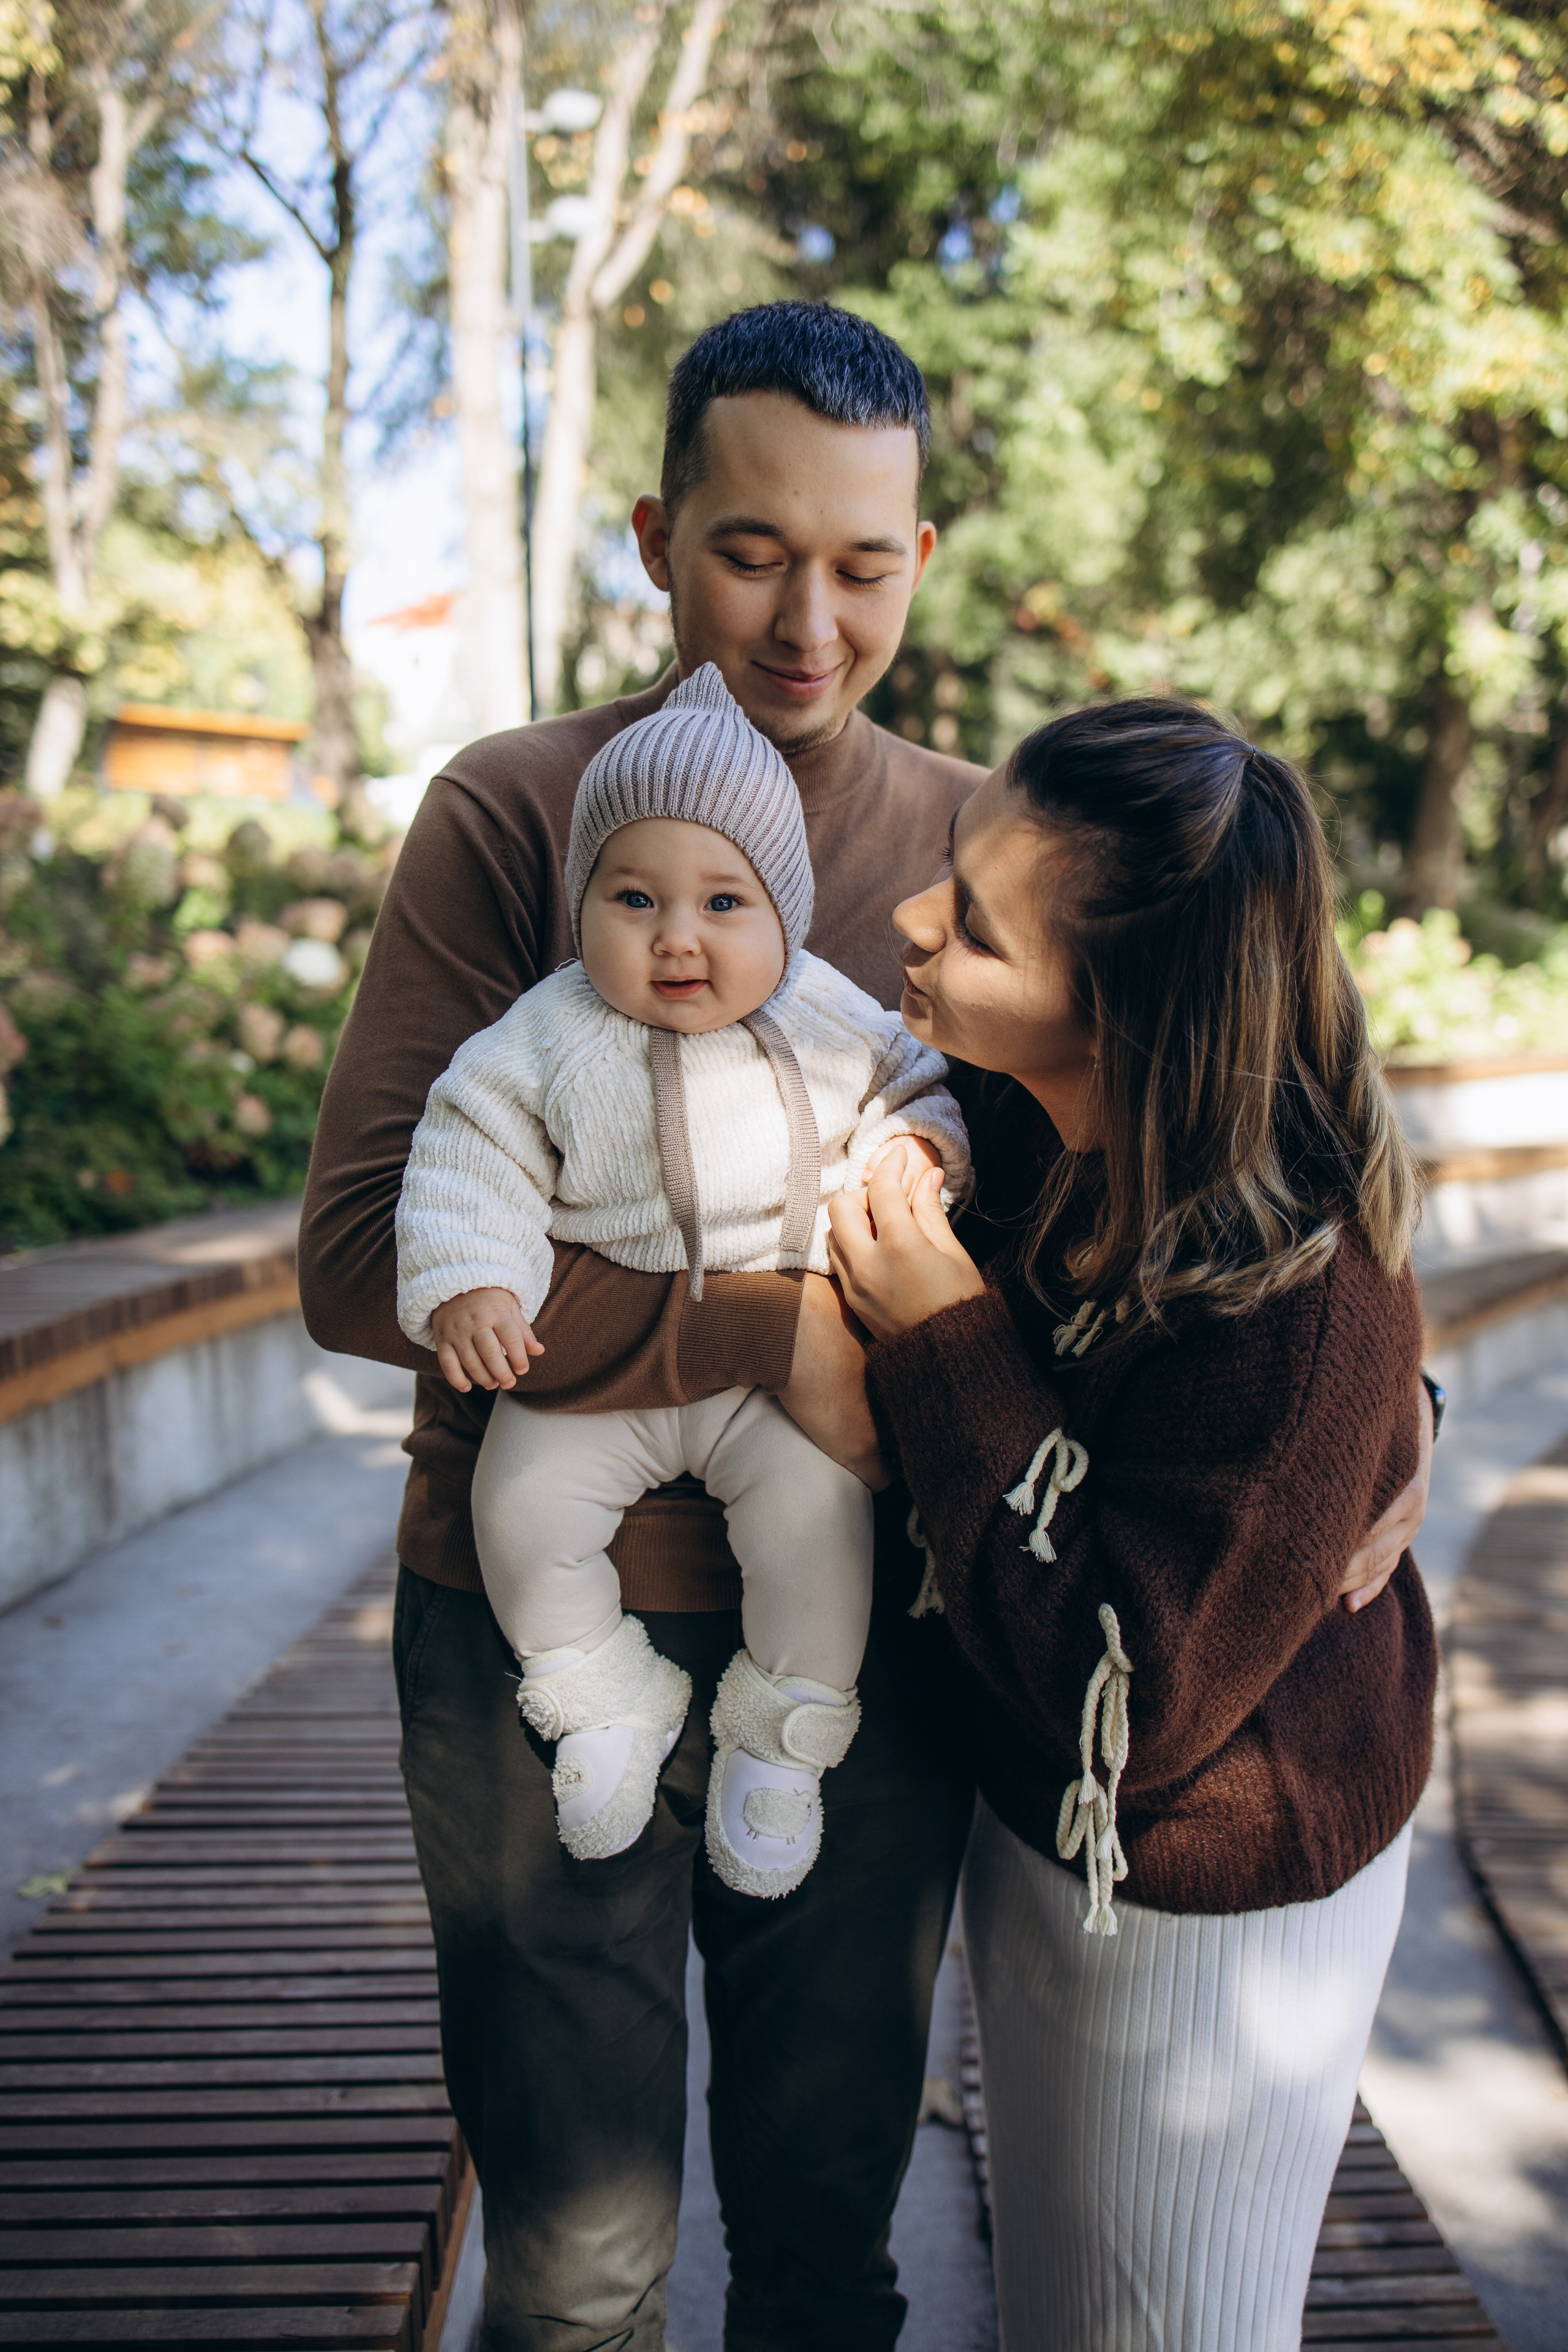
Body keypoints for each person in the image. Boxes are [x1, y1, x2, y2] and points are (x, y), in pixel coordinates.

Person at [300, 302, 1430, 2351]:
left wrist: (1391, 1398)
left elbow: (1222, 1122)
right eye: (750, 553)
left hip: (883, 1628)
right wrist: (775, 1343)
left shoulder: (990, 849)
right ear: (656, 537)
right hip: (536, 1610)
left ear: (925, 550)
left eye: (866, 562)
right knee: (574, 2255)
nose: (807, 621)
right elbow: (364, 1251)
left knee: (830, 2230)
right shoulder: (510, 813)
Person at [827, 698, 1438, 2352]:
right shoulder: (1036, 1119)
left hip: (1207, 1931)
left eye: (978, 929)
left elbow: (1148, 1697)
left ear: (1132, 1020)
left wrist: (943, 1338)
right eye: (954, 873)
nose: (913, 921)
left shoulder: (1297, 1300)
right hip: (1055, 1839)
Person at [394, 663, 968, 1893]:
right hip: (593, 1378)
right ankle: (603, 1695)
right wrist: (473, 1282)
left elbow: (913, 1089)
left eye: (723, 901)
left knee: (819, 1530)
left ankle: (783, 1736)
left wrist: (911, 1153)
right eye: (634, 897)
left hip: (778, 1392)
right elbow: (464, 1152)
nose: (676, 937)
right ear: (583, 902)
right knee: (519, 1516)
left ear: (786, 913)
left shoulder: (829, 1013)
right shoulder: (545, 1035)